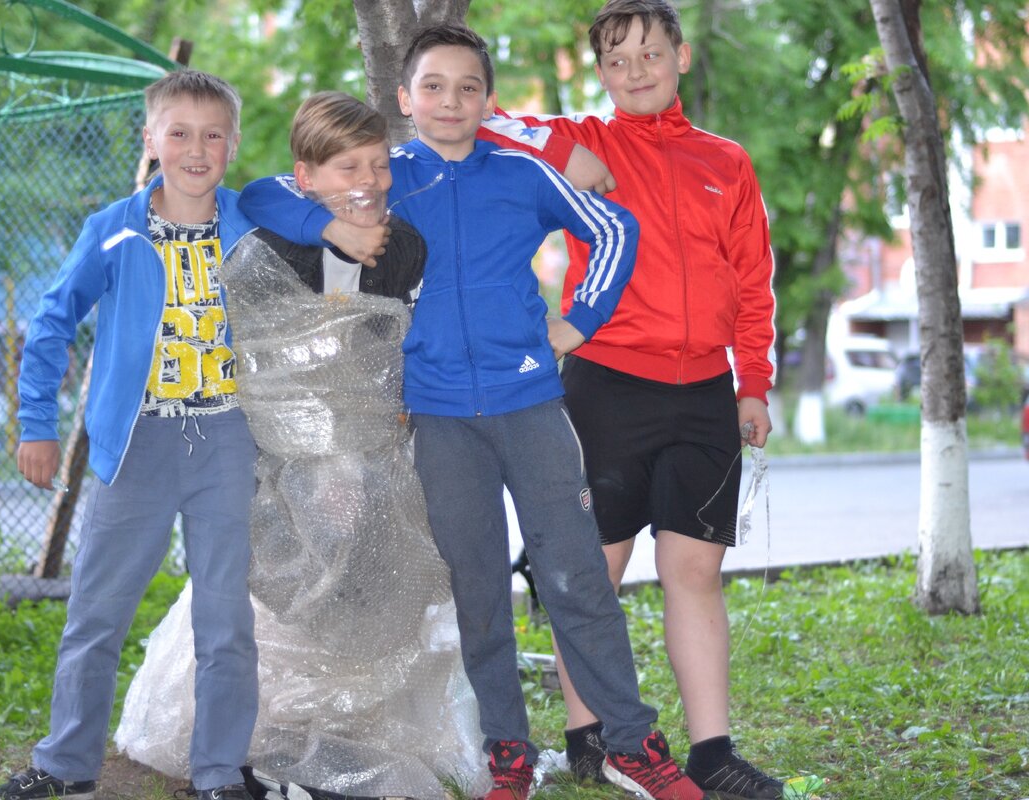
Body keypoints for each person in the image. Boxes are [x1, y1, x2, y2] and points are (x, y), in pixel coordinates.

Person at [239, 23, 704, 800]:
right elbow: (259, 194)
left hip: (531, 405)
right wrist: (333, 225)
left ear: (487, 100)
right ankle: (508, 753)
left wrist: (577, 323)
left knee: (577, 576)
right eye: (432, 86)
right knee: (478, 587)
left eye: (466, 87)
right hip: (439, 417)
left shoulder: (522, 174)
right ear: (404, 99)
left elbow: (614, 225)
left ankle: (632, 743)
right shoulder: (388, 180)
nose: (449, 101)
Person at [116, 93, 485, 800]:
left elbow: (395, 340)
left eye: (379, 164)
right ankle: (273, 724)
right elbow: (260, 348)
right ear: (306, 177)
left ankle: (362, 721)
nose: (370, 179)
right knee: (288, 585)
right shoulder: (275, 243)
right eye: (350, 166)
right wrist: (314, 454)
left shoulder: (404, 245)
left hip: (374, 449)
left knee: (374, 577)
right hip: (287, 459)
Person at [480, 2, 783, 797]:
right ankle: (592, 737)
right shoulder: (587, 145)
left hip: (706, 394)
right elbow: (481, 118)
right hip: (606, 384)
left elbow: (754, 281)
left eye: (652, 52)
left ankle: (712, 752)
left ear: (682, 57)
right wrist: (564, 154)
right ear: (601, 73)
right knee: (593, 571)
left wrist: (752, 382)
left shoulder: (728, 161)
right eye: (618, 59)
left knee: (694, 572)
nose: (637, 69)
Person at [0, 69, 259, 800]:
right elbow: (51, 324)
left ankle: (217, 775)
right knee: (96, 614)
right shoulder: (113, 226)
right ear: (151, 139)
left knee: (225, 621)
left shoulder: (254, 226)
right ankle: (64, 764)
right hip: (134, 443)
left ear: (233, 145)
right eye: (179, 132)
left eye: (212, 134)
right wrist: (36, 425)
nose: (195, 148)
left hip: (228, 441)